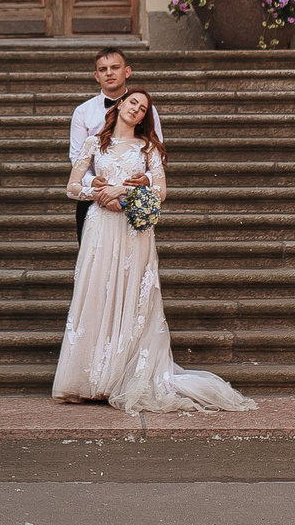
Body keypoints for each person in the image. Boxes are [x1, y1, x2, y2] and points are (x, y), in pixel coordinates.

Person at [53, 88, 256, 414]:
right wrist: (97, 192)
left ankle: (121, 375)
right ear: (121, 104)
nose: (135, 109)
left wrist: (123, 189)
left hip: (133, 229)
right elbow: (71, 187)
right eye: (132, 102)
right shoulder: (93, 143)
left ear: (145, 117)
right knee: (97, 293)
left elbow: (161, 192)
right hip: (100, 227)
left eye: (142, 108)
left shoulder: (148, 148)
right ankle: (91, 378)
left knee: (132, 295)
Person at [67, 48, 161, 246]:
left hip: (135, 199)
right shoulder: (83, 112)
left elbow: (155, 153)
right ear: (96, 76)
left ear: (127, 71)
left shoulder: (147, 109)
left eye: (115, 67)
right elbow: (77, 157)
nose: (109, 73)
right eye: (103, 69)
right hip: (93, 200)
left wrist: (147, 178)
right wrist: (95, 186)